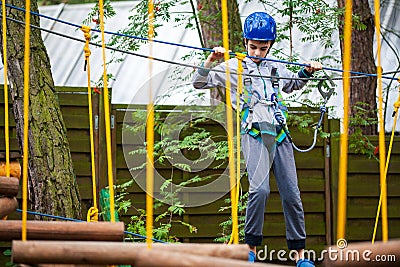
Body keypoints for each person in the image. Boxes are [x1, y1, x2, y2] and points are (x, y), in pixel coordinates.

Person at [192, 12, 322, 267]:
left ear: (270, 45)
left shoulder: (276, 66)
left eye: (263, 48)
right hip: (253, 134)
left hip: (280, 135)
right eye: (253, 47)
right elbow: (198, 82)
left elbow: (291, 84)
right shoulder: (233, 67)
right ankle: (250, 248)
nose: (258, 52)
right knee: (260, 190)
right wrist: (210, 60)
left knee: (292, 195)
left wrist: (306, 73)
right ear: (245, 42)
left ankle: (300, 255)